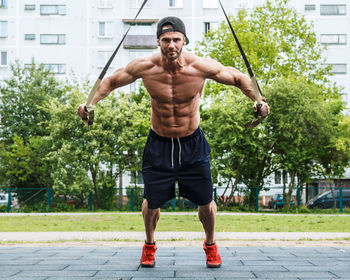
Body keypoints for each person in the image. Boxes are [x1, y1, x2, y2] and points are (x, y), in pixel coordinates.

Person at [77, 16, 270, 268]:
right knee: (151, 201)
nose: (171, 45)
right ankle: (149, 244)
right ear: (158, 41)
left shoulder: (199, 66)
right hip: (159, 144)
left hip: (192, 143)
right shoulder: (144, 67)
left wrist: (259, 99)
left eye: (176, 39)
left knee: (206, 202)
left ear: (184, 40)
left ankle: (210, 245)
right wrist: (89, 103)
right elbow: (111, 81)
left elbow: (236, 77)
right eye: (166, 40)